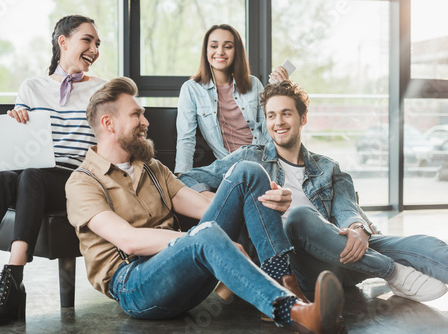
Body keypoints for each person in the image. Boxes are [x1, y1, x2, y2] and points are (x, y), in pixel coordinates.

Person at [65, 77, 346, 333]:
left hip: (186, 272)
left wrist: (266, 200)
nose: (146, 122)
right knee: (207, 233)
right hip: (135, 286)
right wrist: (203, 239)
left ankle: (282, 282)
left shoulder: (152, 168)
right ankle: (294, 312)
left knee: (247, 171)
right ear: (108, 123)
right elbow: (129, 241)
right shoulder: (82, 183)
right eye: (136, 114)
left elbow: (204, 206)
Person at [179, 80, 448, 306]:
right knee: (300, 218)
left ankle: (383, 266)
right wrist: (218, 201)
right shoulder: (251, 158)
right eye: (271, 115)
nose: (278, 122)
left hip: (343, 253)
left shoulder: (328, 167)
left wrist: (357, 229)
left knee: (428, 245)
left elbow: (346, 208)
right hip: (302, 268)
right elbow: (190, 178)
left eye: (286, 113)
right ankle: (392, 272)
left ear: (302, 118)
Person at [0, 15, 106, 327]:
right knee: (4, 179)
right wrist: (17, 119)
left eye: (98, 43)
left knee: (32, 175)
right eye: (87, 40)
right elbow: (21, 149)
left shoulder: (103, 91)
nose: (94, 49)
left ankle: (12, 282)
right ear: (63, 41)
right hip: (34, 176)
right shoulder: (32, 88)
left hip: (75, 179)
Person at [175, 24, 290, 174]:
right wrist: (181, 176)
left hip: (261, 158)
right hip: (228, 164)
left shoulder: (253, 83)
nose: (220, 52)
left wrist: (282, 90)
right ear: (206, 51)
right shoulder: (191, 89)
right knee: (187, 180)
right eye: (214, 46)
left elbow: (269, 126)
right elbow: (186, 139)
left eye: (228, 46)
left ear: (236, 52)